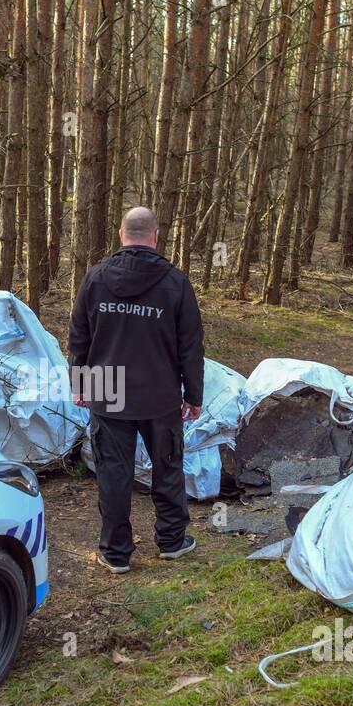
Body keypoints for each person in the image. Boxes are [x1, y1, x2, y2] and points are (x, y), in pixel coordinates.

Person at [69, 207, 205, 573]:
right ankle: (172, 540)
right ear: (155, 236)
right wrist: (193, 395)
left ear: (120, 234)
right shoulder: (176, 282)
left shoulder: (95, 278)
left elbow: (79, 337)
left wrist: (82, 383)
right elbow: (191, 346)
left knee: (114, 472)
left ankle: (115, 552)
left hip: (107, 386)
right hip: (158, 387)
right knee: (167, 466)